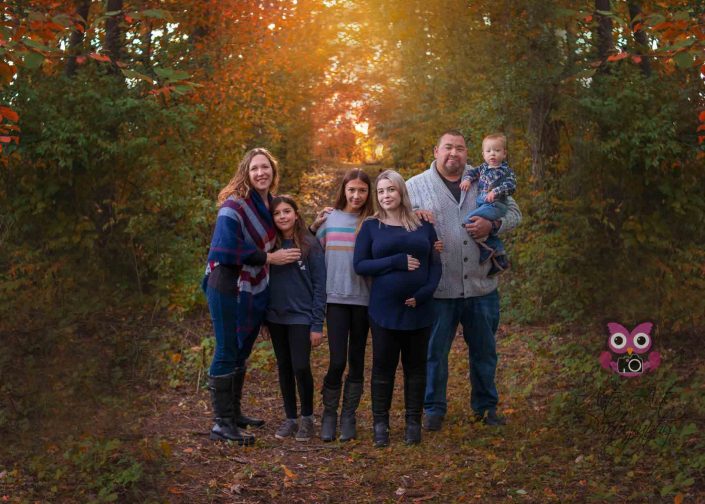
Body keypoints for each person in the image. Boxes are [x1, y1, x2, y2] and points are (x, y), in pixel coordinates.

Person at [405, 130, 522, 430]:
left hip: (480, 286)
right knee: (435, 353)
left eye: (459, 148)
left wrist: (493, 223)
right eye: (448, 147)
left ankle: (485, 407)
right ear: (436, 151)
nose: (453, 153)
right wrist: (416, 221)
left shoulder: (486, 179)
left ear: (468, 154)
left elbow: (516, 213)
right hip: (439, 288)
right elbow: (394, 219)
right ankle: (433, 409)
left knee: (484, 352)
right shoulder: (414, 186)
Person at [202, 148, 301, 445]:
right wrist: (269, 259)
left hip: (252, 286)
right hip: (226, 283)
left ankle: (234, 414)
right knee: (227, 348)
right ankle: (221, 424)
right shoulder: (234, 206)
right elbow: (224, 248)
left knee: (242, 349)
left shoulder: (270, 205)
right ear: (246, 172)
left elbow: (288, 229)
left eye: (266, 168)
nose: (261, 173)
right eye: (255, 168)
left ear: (273, 171)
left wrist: (320, 223)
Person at [353, 170, 442, 447]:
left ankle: (413, 423)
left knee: (416, 367)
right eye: (380, 191)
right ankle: (381, 424)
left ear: (401, 191)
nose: (385, 195)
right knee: (383, 367)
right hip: (384, 310)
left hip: (420, 308)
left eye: (390, 190)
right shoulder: (371, 226)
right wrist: (396, 262)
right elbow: (360, 265)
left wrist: (424, 294)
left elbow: (435, 266)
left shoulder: (423, 224)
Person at [309, 169, 375, 442]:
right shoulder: (329, 219)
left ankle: (349, 415)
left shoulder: (373, 222)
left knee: (357, 361)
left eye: (362, 190)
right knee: (337, 360)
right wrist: (313, 226)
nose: (356, 195)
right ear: (344, 191)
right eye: (352, 190)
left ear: (369, 193)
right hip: (335, 299)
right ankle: (329, 413)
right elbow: (310, 250)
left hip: (364, 300)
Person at [265, 196, 327, 442]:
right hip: (276, 317)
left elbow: (320, 286)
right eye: (277, 213)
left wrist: (317, 324)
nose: (282, 216)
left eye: (287, 211)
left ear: (296, 214)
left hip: (301, 316)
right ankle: (290, 418)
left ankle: (308, 417)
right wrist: (264, 318)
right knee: (284, 367)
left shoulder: (310, 244)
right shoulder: (270, 246)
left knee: (301, 366)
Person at [459, 133, 516, 276]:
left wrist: (496, 191)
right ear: (483, 154)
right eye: (489, 151)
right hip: (485, 205)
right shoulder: (483, 168)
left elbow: (511, 186)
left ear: (504, 153)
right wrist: (467, 180)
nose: (493, 154)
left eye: (497, 151)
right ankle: (500, 256)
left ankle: (487, 250)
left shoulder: (506, 171)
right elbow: (472, 173)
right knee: (480, 226)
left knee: (468, 221)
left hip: (496, 205)